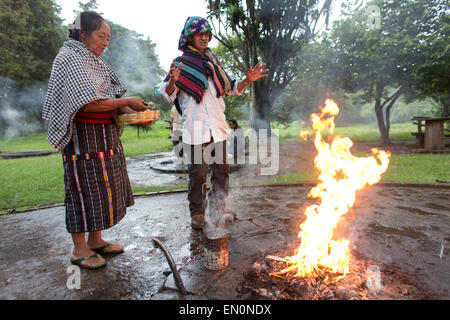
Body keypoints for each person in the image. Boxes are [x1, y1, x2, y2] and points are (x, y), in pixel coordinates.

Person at [42, 11, 151, 269]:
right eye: (101, 36)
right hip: (82, 139)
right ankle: (79, 249)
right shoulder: (69, 58)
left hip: (105, 137)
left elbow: (109, 101)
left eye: (108, 39)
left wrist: (137, 113)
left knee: (102, 189)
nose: (105, 42)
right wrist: (126, 101)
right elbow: (87, 105)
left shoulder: (94, 61)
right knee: (82, 190)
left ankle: (96, 240)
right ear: (82, 33)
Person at [158, 16, 268, 232]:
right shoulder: (180, 64)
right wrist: (173, 80)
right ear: (190, 36)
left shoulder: (213, 63)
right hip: (195, 130)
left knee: (221, 172)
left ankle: (219, 207)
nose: (205, 37)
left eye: (208, 34)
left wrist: (247, 80)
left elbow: (230, 88)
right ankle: (197, 213)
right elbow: (167, 94)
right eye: (201, 33)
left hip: (217, 129)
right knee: (197, 175)